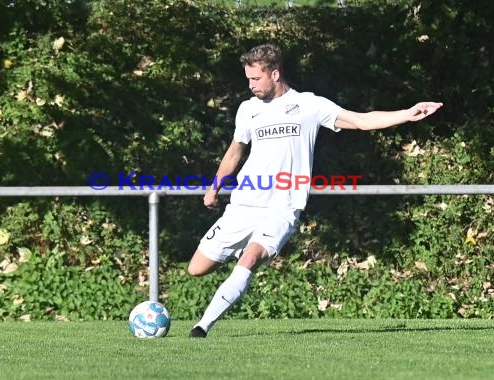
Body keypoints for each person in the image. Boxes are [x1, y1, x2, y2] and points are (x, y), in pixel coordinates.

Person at [187, 43, 443, 338]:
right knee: (196, 269)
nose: (250, 85)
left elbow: (360, 120)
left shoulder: (309, 105)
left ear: (275, 74)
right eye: (248, 79)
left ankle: (202, 327)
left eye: (255, 79)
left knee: (249, 258)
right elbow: (235, 153)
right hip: (244, 205)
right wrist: (214, 188)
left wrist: (407, 113)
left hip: (282, 208)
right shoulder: (248, 109)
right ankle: (235, 270)